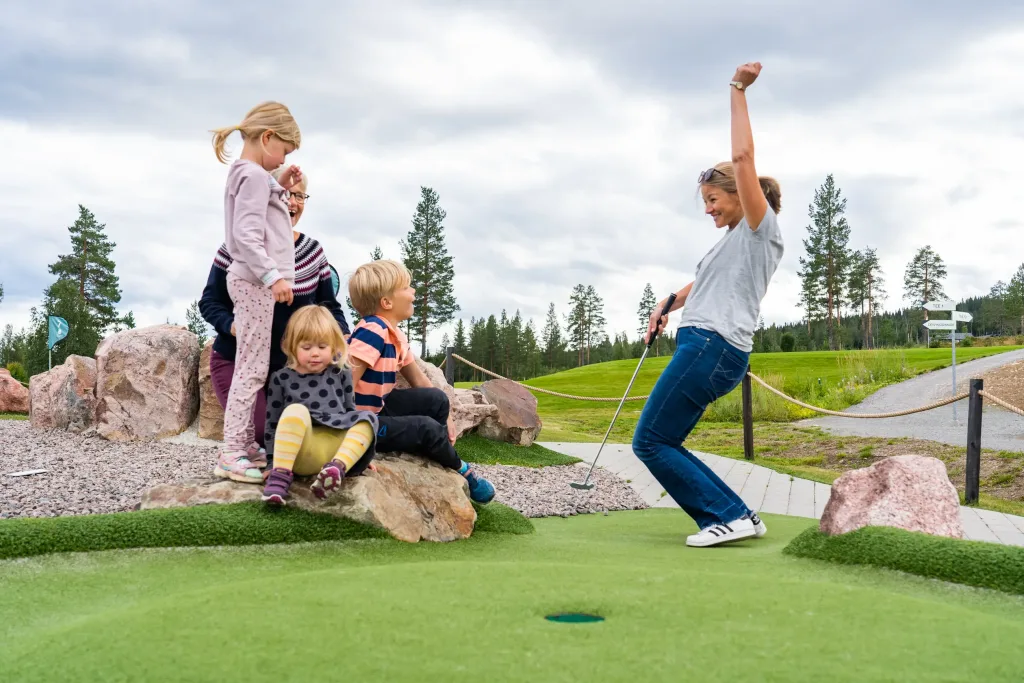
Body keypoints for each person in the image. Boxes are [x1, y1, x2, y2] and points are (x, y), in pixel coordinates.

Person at [633, 62, 784, 548]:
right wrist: (668, 303)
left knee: (649, 441)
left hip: (710, 349)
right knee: (664, 440)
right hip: (708, 347)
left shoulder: (760, 229)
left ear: (742, 194)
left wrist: (737, 89)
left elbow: (743, 158)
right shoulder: (733, 242)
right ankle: (741, 515)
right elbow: (705, 284)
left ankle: (726, 515)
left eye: (713, 198)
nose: (708, 209)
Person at [199, 166, 350, 458]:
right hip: (237, 361)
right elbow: (210, 302)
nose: (292, 202)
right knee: (268, 435)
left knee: (312, 433)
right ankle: (238, 458)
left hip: (293, 368)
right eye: (286, 193)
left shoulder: (313, 252)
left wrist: (344, 337)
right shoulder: (236, 248)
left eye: (299, 195)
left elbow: (329, 306)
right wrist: (235, 327)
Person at [346, 259, 496, 504]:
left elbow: (419, 380)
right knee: (426, 427)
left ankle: (434, 449)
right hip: (361, 424)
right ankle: (462, 469)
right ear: (387, 302)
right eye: (407, 287)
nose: (413, 292)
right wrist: (351, 444)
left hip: (379, 408)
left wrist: (446, 412)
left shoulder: (393, 334)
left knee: (436, 399)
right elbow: (345, 384)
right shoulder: (372, 330)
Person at [209, 101, 303, 484]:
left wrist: (278, 186)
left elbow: (258, 217)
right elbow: (246, 234)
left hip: (250, 283)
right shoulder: (251, 175)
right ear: (267, 138)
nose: (283, 158)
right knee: (250, 369)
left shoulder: (253, 175)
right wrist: (273, 276)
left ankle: (246, 442)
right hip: (252, 282)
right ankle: (231, 451)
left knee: (255, 366)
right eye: (283, 150)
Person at [261, 305, 379, 505]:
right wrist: (272, 463)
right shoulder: (281, 378)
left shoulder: (342, 373)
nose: (314, 353)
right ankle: (280, 477)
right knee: (295, 412)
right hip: (301, 451)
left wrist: (360, 453)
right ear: (292, 346)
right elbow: (272, 423)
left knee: (368, 418)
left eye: (322, 347)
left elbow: (350, 413)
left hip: (335, 451)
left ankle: (337, 469)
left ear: (334, 346)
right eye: (306, 348)